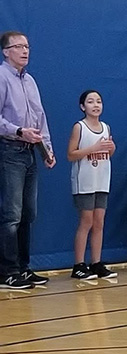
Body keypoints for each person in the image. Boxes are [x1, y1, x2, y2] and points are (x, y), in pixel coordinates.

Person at [0, 30, 55, 289]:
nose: (25, 51)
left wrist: (47, 150)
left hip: (30, 153)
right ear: (5, 51)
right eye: (19, 46)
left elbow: (39, 119)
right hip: (9, 150)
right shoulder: (1, 77)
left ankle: (23, 267)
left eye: (27, 46)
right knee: (10, 214)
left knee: (27, 214)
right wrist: (18, 131)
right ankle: (6, 271)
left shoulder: (30, 81)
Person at [67, 90, 117, 280]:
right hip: (84, 180)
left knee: (99, 222)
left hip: (102, 180)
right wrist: (92, 149)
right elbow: (71, 154)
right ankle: (78, 265)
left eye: (99, 101)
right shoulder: (79, 127)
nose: (95, 105)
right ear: (82, 107)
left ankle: (96, 262)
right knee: (86, 221)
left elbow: (106, 153)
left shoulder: (106, 127)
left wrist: (111, 149)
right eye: (90, 101)